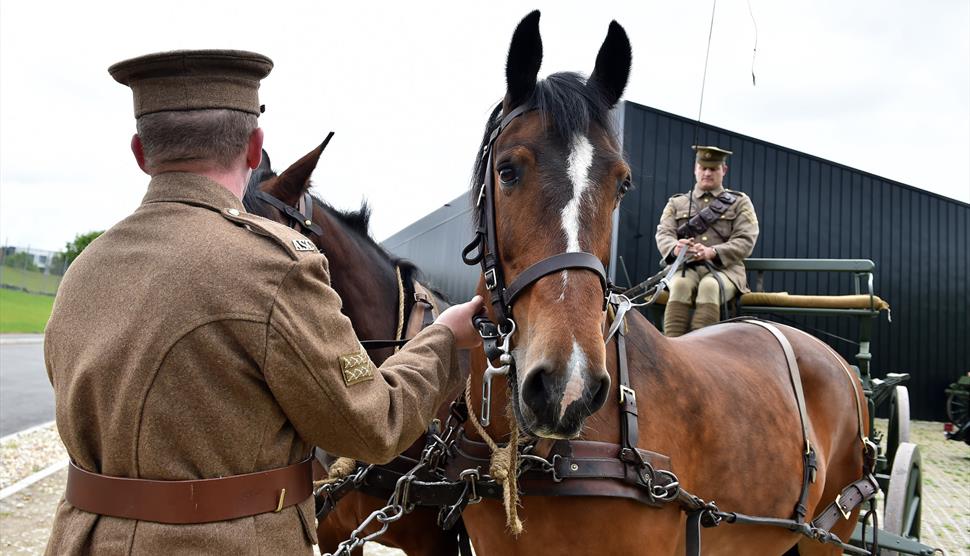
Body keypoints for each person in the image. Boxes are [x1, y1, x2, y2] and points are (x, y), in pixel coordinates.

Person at [44, 49, 484, 555]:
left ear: (141, 153)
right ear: (255, 150)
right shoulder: (273, 268)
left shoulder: (83, 272)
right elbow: (372, 425)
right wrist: (445, 339)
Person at [655, 145, 759, 336]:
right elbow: (664, 233)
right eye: (703, 168)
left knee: (709, 286)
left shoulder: (739, 202)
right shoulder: (677, 203)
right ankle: (673, 345)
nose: (707, 173)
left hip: (725, 270)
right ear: (695, 169)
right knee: (679, 285)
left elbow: (746, 239)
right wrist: (675, 248)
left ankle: (699, 350)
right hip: (686, 268)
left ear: (723, 170)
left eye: (713, 169)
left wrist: (714, 252)